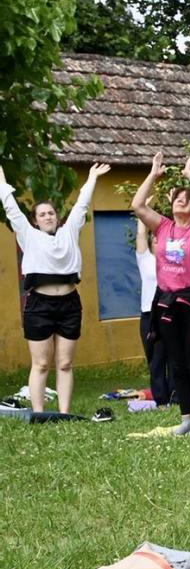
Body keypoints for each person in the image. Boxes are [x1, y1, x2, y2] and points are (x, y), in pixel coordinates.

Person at [1, 162, 110, 414]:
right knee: (40, 364)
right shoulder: (28, 235)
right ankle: (39, 413)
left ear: (57, 217)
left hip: (70, 304)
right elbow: (11, 208)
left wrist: (92, 177)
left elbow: (82, 204)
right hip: (39, 305)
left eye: (51, 213)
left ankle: (64, 413)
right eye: (42, 214)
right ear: (35, 221)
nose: (48, 217)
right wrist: (2, 183)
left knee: (65, 363)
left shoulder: (69, 232)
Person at [132, 152, 190, 436]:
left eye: (187, 198)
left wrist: (189, 175)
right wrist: (153, 174)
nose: (181, 199)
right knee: (176, 363)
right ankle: (186, 419)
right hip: (167, 301)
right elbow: (137, 205)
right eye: (177, 197)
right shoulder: (164, 227)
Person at [136, 219, 173, 406]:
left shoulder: (174, 261)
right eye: (156, 239)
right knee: (156, 359)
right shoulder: (145, 260)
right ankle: (161, 399)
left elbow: (179, 234)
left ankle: (176, 395)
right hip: (149, 315)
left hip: (171, 312)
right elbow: (141, 235)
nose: (159, 242)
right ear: (151, 243)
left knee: (175, 357)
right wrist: (142, 213)